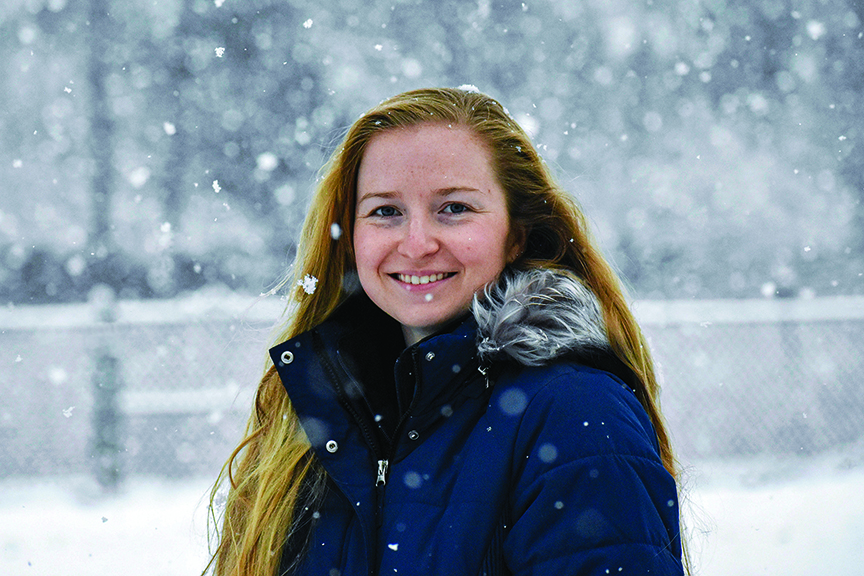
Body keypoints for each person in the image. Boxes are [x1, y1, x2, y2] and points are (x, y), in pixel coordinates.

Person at [205, 87, 686, 576]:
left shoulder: (575, 412)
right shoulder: (323, 407)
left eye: (453, 208)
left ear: (516, 233)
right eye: (385, 211)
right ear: (350, 235)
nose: (416, 244)